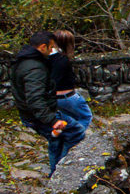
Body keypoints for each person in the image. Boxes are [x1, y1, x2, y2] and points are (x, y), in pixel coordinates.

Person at [11, 31, 87, 175]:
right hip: (40, 116)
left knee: (56, 139)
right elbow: (35, 99)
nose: (52, 50)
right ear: (42, 47)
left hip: (31, 114)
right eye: (51, 47)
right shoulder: (35, 68)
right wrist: (53, 120)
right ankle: (63, 172)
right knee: (76, 132)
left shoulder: (23, 61)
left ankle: (55, 173)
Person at [50, 30, 92, 132]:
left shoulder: (48, 58)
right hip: (68, 97)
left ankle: (61, 136)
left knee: (66, 120)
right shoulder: (63, 59)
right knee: (86, 116)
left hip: (55, 99)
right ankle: (74, 136)